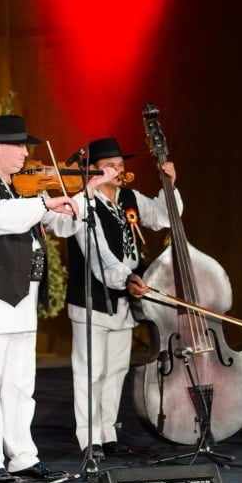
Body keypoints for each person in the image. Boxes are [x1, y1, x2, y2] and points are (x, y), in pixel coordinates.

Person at [0, 114, 101, 483]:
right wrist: (44, 205)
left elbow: (59, 224)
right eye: (19, 145)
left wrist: (82, 198)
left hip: (21, 298)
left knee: (21, 383)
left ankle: (22, 456)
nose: (25, 152)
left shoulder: (22, 186)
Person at [64, 137, 180, 460]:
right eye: (111, 165)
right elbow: (96, 250)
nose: (119, 169)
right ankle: (89, 439)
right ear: (95, 171)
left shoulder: (128, 197)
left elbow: (162, 217)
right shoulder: (83, 202)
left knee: (116, 369)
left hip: (125, 299)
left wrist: (168, 186)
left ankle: (108, 432)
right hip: (93, 298)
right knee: (90, 370)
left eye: (122, 164)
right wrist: (123, 278)